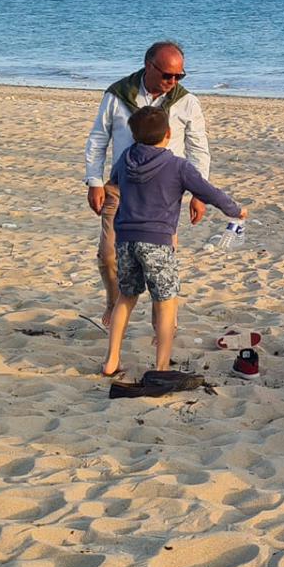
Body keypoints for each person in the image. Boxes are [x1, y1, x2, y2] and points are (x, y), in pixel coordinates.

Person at [98, 106, 245, 377]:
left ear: (134, 136)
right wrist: (235, 210)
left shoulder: (125, 158)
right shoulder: (177, 166)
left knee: (126, 297)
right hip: (158, 242)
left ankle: (111, 359)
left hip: (126, 240)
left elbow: (114, 182)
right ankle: (162, 365)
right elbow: (209, 192)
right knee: (166, 301)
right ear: (168, 134)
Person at [83, 41, 211, 318]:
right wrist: (94, 180)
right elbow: (98, 138)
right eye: (167, 75)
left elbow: (198, 148)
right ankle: (115, 306)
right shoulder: (118, 95)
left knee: (160, 264)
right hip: (120, 187)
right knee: (108, 256)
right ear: (148, 66)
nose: (173, 81)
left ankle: (162, 324)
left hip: (163, 194)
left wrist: (198, 193)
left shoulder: (186, 102)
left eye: (179, 76)